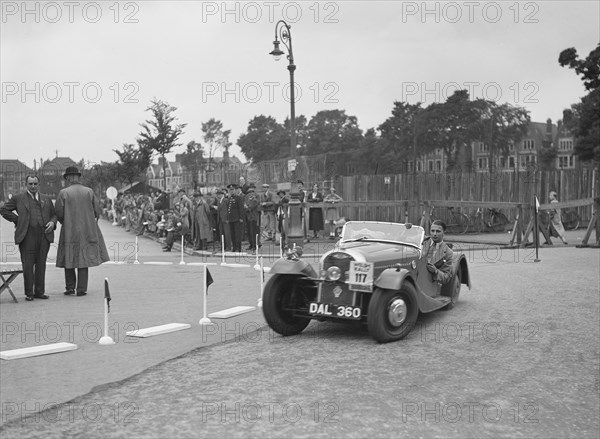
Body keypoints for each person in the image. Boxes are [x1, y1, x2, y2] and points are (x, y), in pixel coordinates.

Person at [0, 174, 57, 301]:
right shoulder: (18, 198)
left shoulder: (46, 199)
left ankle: (40, 292)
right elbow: (4, 210)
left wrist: (52, 223)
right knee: (28, 265)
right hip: (27, 236)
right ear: (26, 185)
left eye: (35, 184)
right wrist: (18, 220)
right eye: (30, 184)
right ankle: (29, 293)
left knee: (41, 264)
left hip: (44, 235)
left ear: (38, 184)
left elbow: (54, 215)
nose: (33, 186)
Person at [55, 166, 109, 296]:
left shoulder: (63, 193)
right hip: (87, 229)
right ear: (79, 177)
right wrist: (91, 222)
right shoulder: (89, 191)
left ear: (67, 178)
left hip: (69, 230)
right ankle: (81, 289)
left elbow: (58, 212)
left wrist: (65, 222)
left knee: (69, 256)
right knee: (83, 258)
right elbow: (97, 211)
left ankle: (70, 287)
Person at [420, 220, 454, 285]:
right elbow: (407, 238)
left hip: (429, 284)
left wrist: (435, 271)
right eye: (432, 231)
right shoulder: (422, 240)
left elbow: (446, 277)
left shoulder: (448, 252)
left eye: (438, 231)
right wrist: (407, 229)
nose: (434, 234)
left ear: (444, 232)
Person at [225, 183, 245, 252]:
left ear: (235, 190)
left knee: (237, 234)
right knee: (232, 234)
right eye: (230, 190)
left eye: (233, 189)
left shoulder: (238, 198)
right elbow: (228, 210)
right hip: (231, 219)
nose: (231, 191)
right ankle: (234, 247)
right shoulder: (230, 198)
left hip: (237, 219)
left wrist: (241, 218)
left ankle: (238, 248)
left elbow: (241, 208)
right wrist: (227, 218)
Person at [244, 183, 261, 252]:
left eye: (252, 188)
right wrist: (246, 208)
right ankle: (251, 244)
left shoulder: (256, 196)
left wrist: (248, 208)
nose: (251, 190)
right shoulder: (247, 196)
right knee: (249, 231)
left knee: (255, 231)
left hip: (254, 215)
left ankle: (255, 244)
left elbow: (255, 203)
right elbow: (244, 204)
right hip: (248, 216)